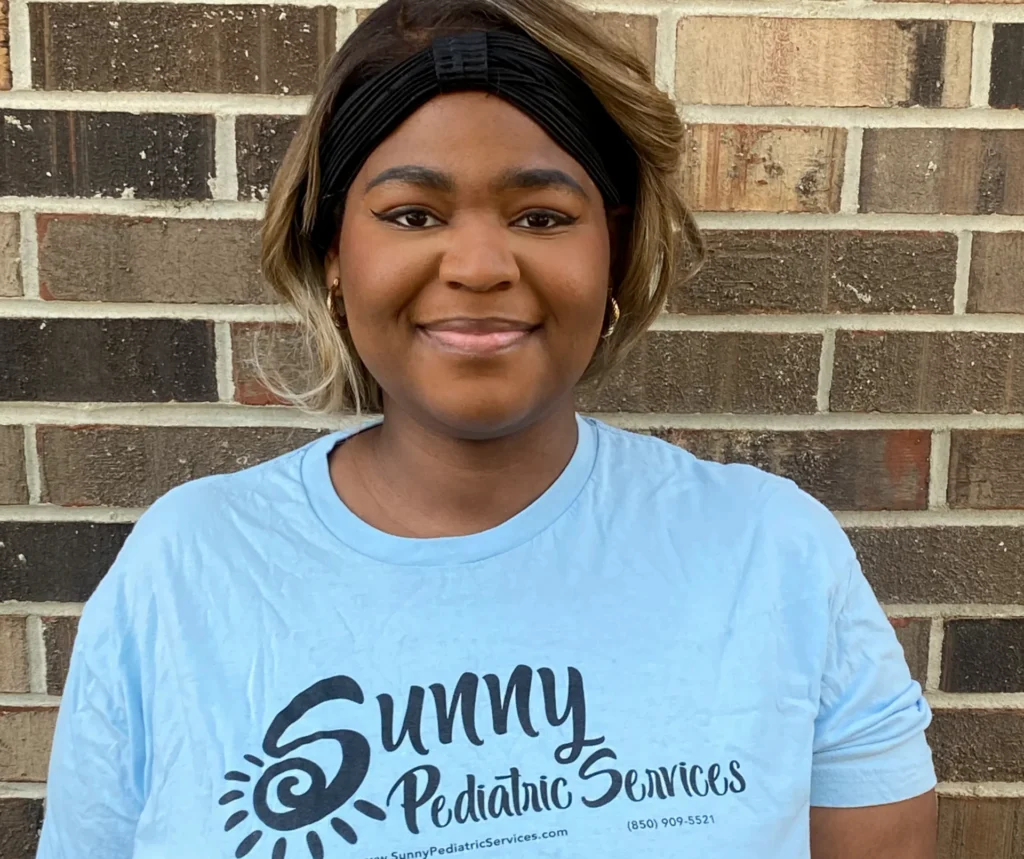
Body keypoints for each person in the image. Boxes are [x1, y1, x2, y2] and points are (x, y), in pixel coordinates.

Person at [37, 0, 937, 856]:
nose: (476, 265)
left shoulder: (775, 557)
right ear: (333, 251)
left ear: (615, 248)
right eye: (412, 214)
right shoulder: (185, 571)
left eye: (541, 216)